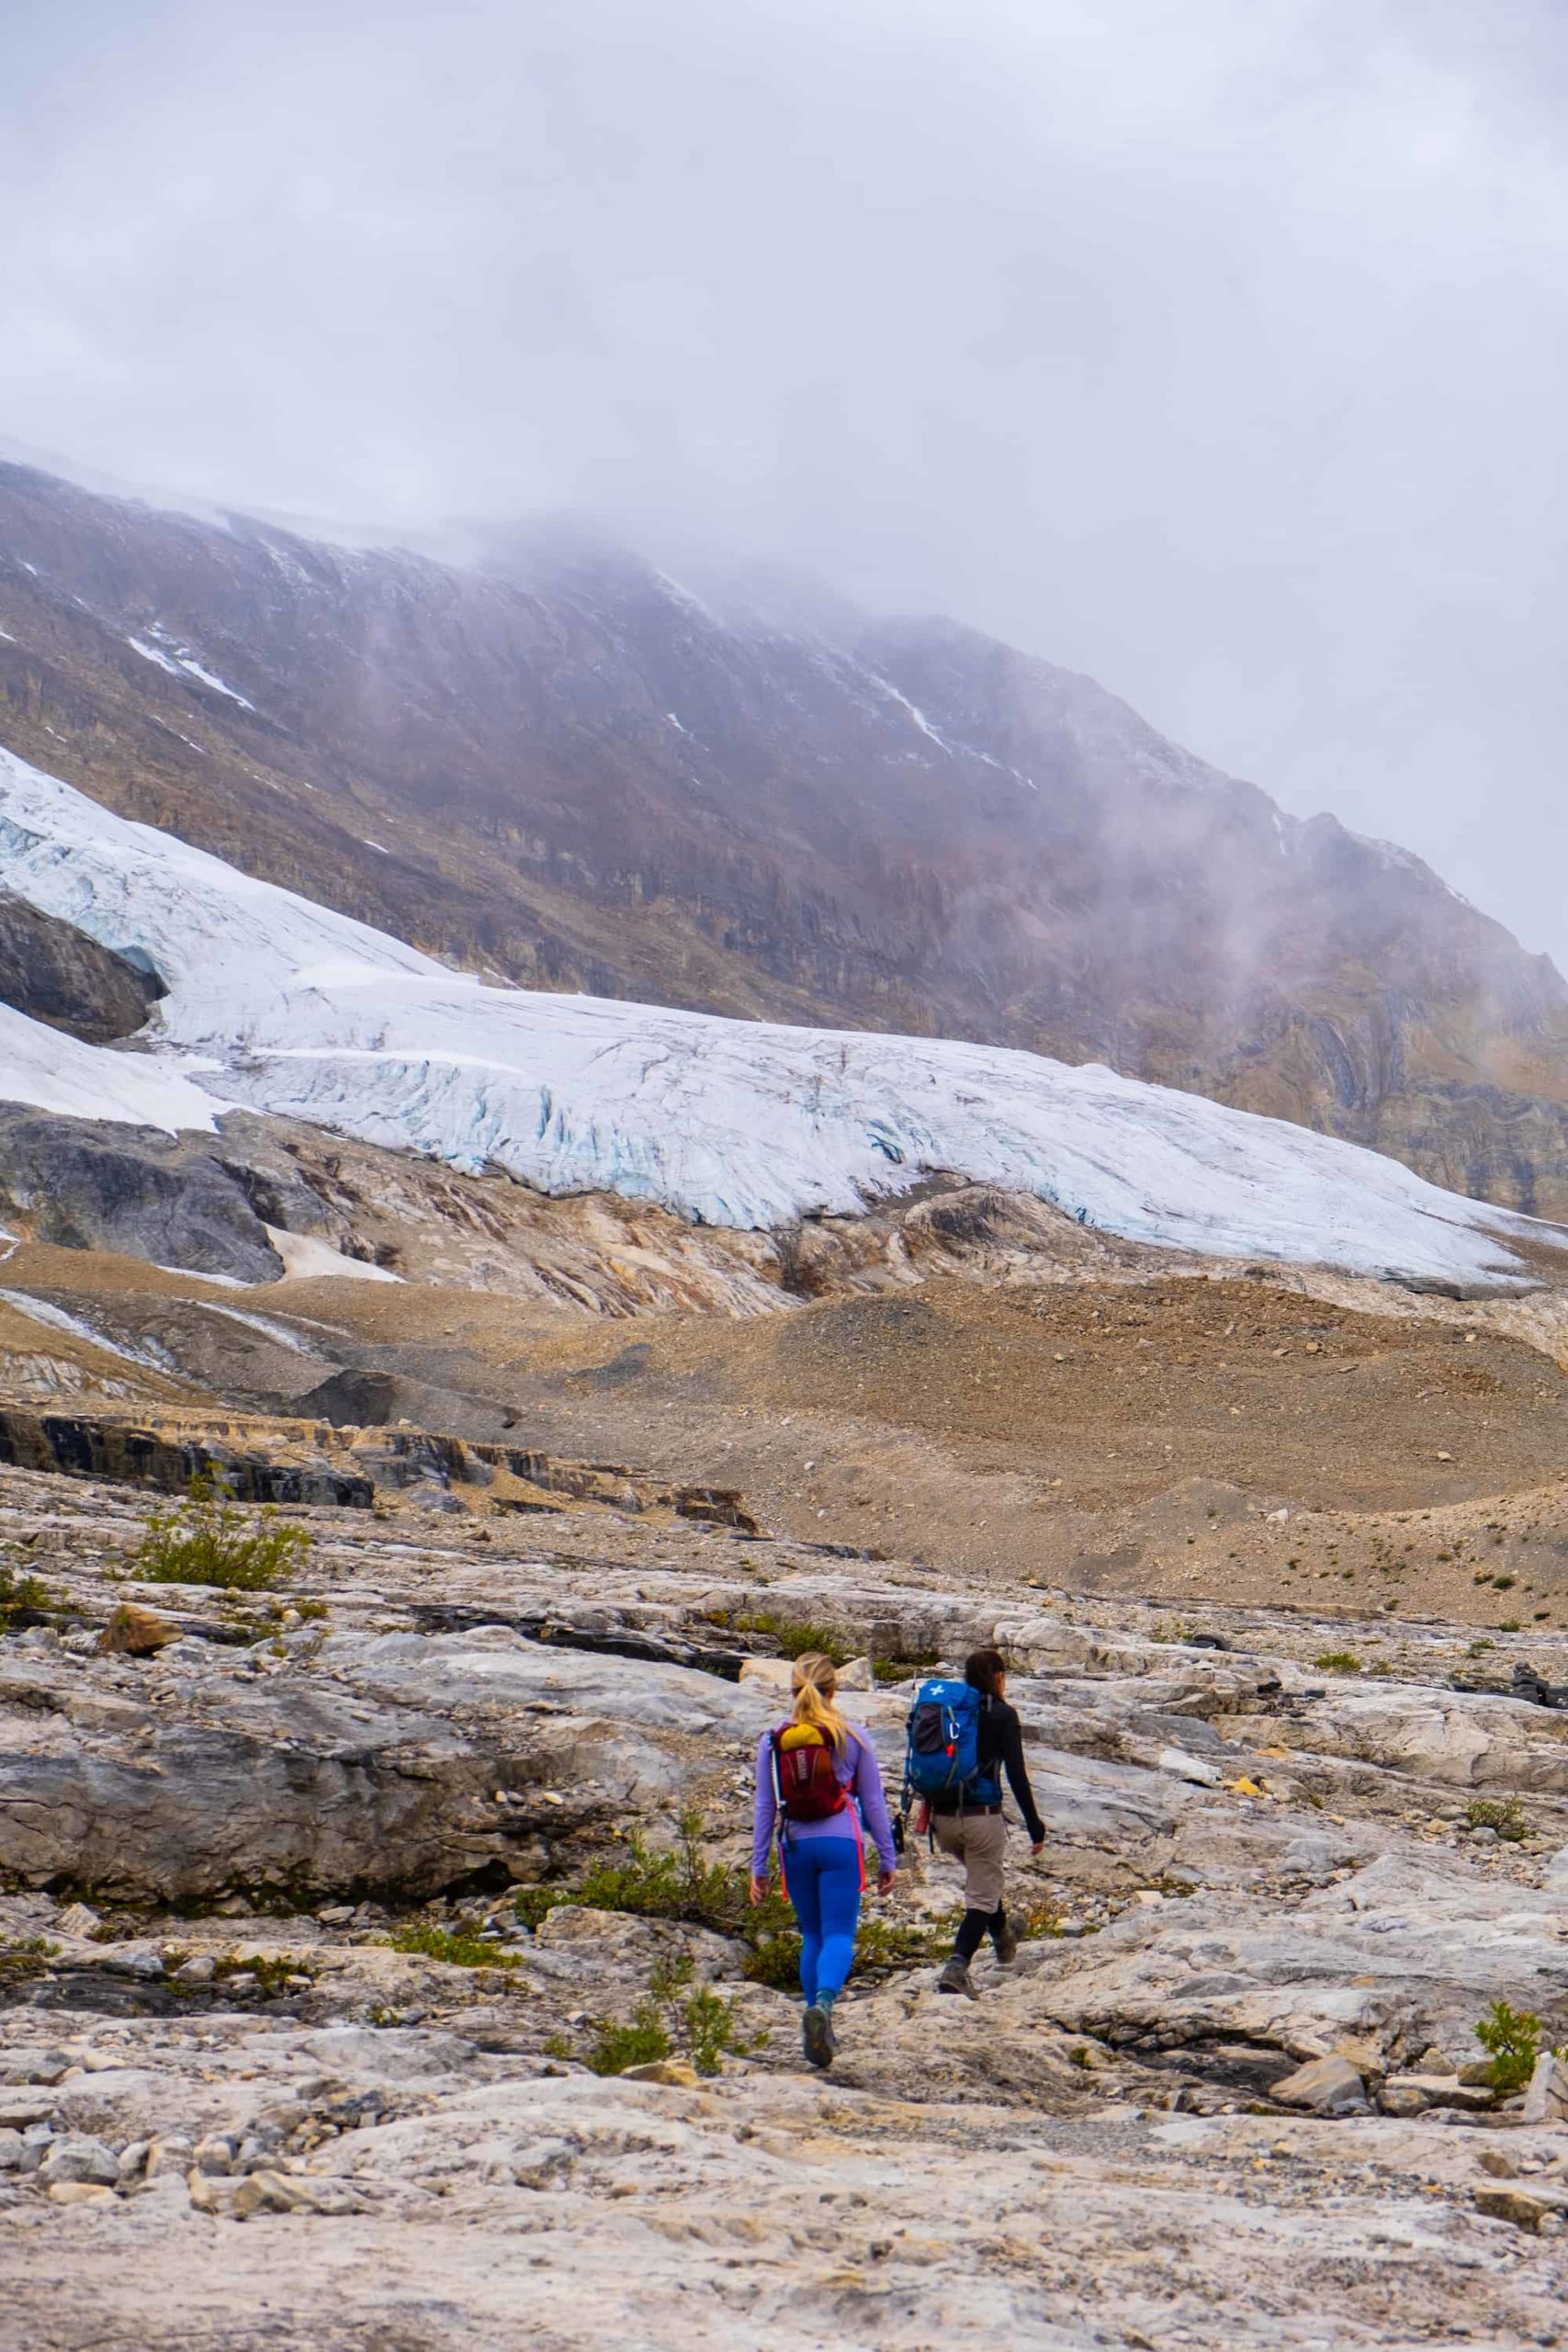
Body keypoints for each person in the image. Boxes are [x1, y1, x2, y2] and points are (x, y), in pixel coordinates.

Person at [750, 1651, 898, 2068]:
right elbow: (873, 1802)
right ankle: (825, 2008)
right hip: (840, 1841)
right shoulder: (851, 1736)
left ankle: (813, 2024)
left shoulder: (773, 1739)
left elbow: (765, 1806)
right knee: (839, 1935)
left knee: (812, 1935)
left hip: (794, 1845)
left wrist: (758, 1867)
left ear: (792, 1689)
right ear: (834, 1689)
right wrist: (888, 1857)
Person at [930, 1647, 1045, 1996]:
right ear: (997, 1676)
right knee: (981, 1894)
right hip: (980, 1817)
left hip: (941, 1818)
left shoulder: (949, 1711)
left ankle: (1004, 1937)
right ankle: (957, 1965)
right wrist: (1034, 1825)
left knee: (985, 1881)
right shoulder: (1003, 1715)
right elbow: (1016, 1774)